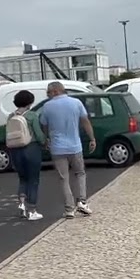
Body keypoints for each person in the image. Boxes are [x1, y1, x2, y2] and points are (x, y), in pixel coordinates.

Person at [38, 81, 95, 218]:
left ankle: (69, 209)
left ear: (56, 91)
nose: (47, 95)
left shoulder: (47, 106)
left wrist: (47, 139)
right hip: (75, 146)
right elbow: (85, 121)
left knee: (64, 178)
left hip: (57, 148)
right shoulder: (76, 103)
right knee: (80, 173)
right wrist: (92, 138)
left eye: (48, 92)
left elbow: (44, 125)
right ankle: (82, 201)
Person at [5, 89, 46, 220]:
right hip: (31, 148)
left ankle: (22, 205)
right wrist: (44, 143)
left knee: (22, 178)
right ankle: (32, 210)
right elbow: (39, 135)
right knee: (33, 180)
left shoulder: (11, 116)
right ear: (30, 102)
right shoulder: (32, 116)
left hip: (15, 149)